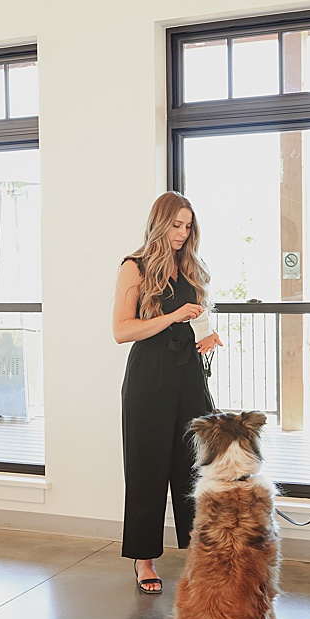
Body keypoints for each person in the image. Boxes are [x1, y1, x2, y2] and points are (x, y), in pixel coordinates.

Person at [112, 192, 224, 594]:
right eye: (176, 225)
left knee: (195, 467)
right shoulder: (135, 267)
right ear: (160, 222)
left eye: (188, 225)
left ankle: (200, 554)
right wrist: (173, 316)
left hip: (188, 374)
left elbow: (192, 322)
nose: (182, 233)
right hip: (150, 376)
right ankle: (144, 559)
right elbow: (122, 331)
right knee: (147, 467)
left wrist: (205, 337)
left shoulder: (191, 267)